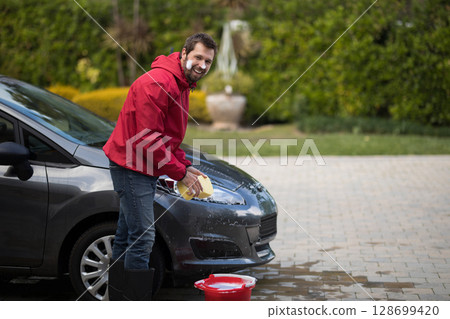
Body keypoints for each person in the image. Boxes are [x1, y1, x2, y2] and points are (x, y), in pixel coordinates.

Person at [103, 33, 217, 301]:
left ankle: (117, 302)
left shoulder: (181, 83)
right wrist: (180, 172)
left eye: (208, 61)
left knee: (126, 235)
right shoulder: (159, 84)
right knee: (142, 238)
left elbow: (167, 138)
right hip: (132, 167)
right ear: (184, 53)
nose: (202, 65)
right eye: (198, 57)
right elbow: (147, 139)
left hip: (142, 164)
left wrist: (185, 167)